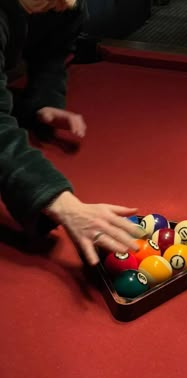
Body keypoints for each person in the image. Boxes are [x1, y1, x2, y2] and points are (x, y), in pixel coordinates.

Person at [0, 0, 141, 265]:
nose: (66, 2)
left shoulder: (65, 4)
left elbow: (53, 51)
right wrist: (61, 202)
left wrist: (45, 101)